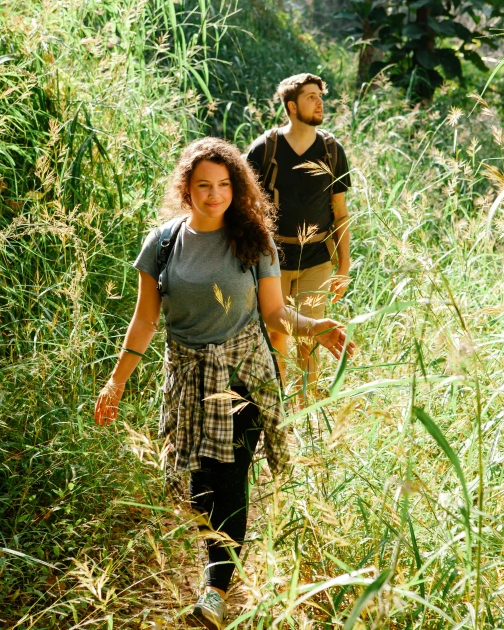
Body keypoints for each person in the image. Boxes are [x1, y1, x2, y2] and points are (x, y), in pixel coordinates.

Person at [94, 137, 354, 630]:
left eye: (223, 185)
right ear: (186, 189)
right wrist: (116, 383)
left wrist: (315, 328)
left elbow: (275, 314)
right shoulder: (164, 242)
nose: (214, 195)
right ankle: (219, 559)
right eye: (203, 186)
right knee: (199, 487)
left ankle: (215, 591)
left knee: (229, 478)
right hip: (187, 377)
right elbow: (145, 320)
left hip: (242, 377)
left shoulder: (254, 241)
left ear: (237, 187)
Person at [246, 73, 352, 397]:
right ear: (291, 106)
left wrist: (344, 267)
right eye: (310, 97)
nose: (319, 102)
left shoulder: (332, 150)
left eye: (320, 96)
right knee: (277, 337)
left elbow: (340, 212)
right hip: (273, 259)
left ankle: (309, 414)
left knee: (310, 338)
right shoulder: (265, 149)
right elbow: (246, 208)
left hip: (318, 259)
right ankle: (276, 408)